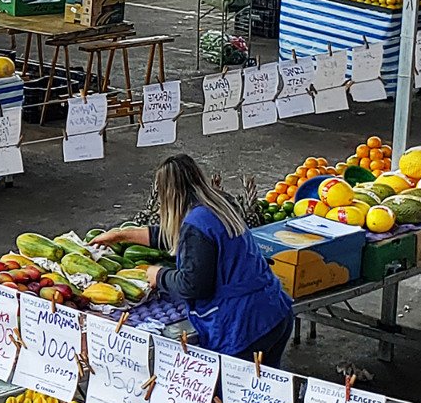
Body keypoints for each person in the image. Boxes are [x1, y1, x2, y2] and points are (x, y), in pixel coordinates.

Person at [93, 153, 295, 363]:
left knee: (227, 393)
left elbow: (193, 285)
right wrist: (121, 235)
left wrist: (158, 275)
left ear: (169, 193)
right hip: (274, 311)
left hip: (245, 326)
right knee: (264, 391)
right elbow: (170, 235)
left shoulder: (196, 225)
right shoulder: (218, 205)